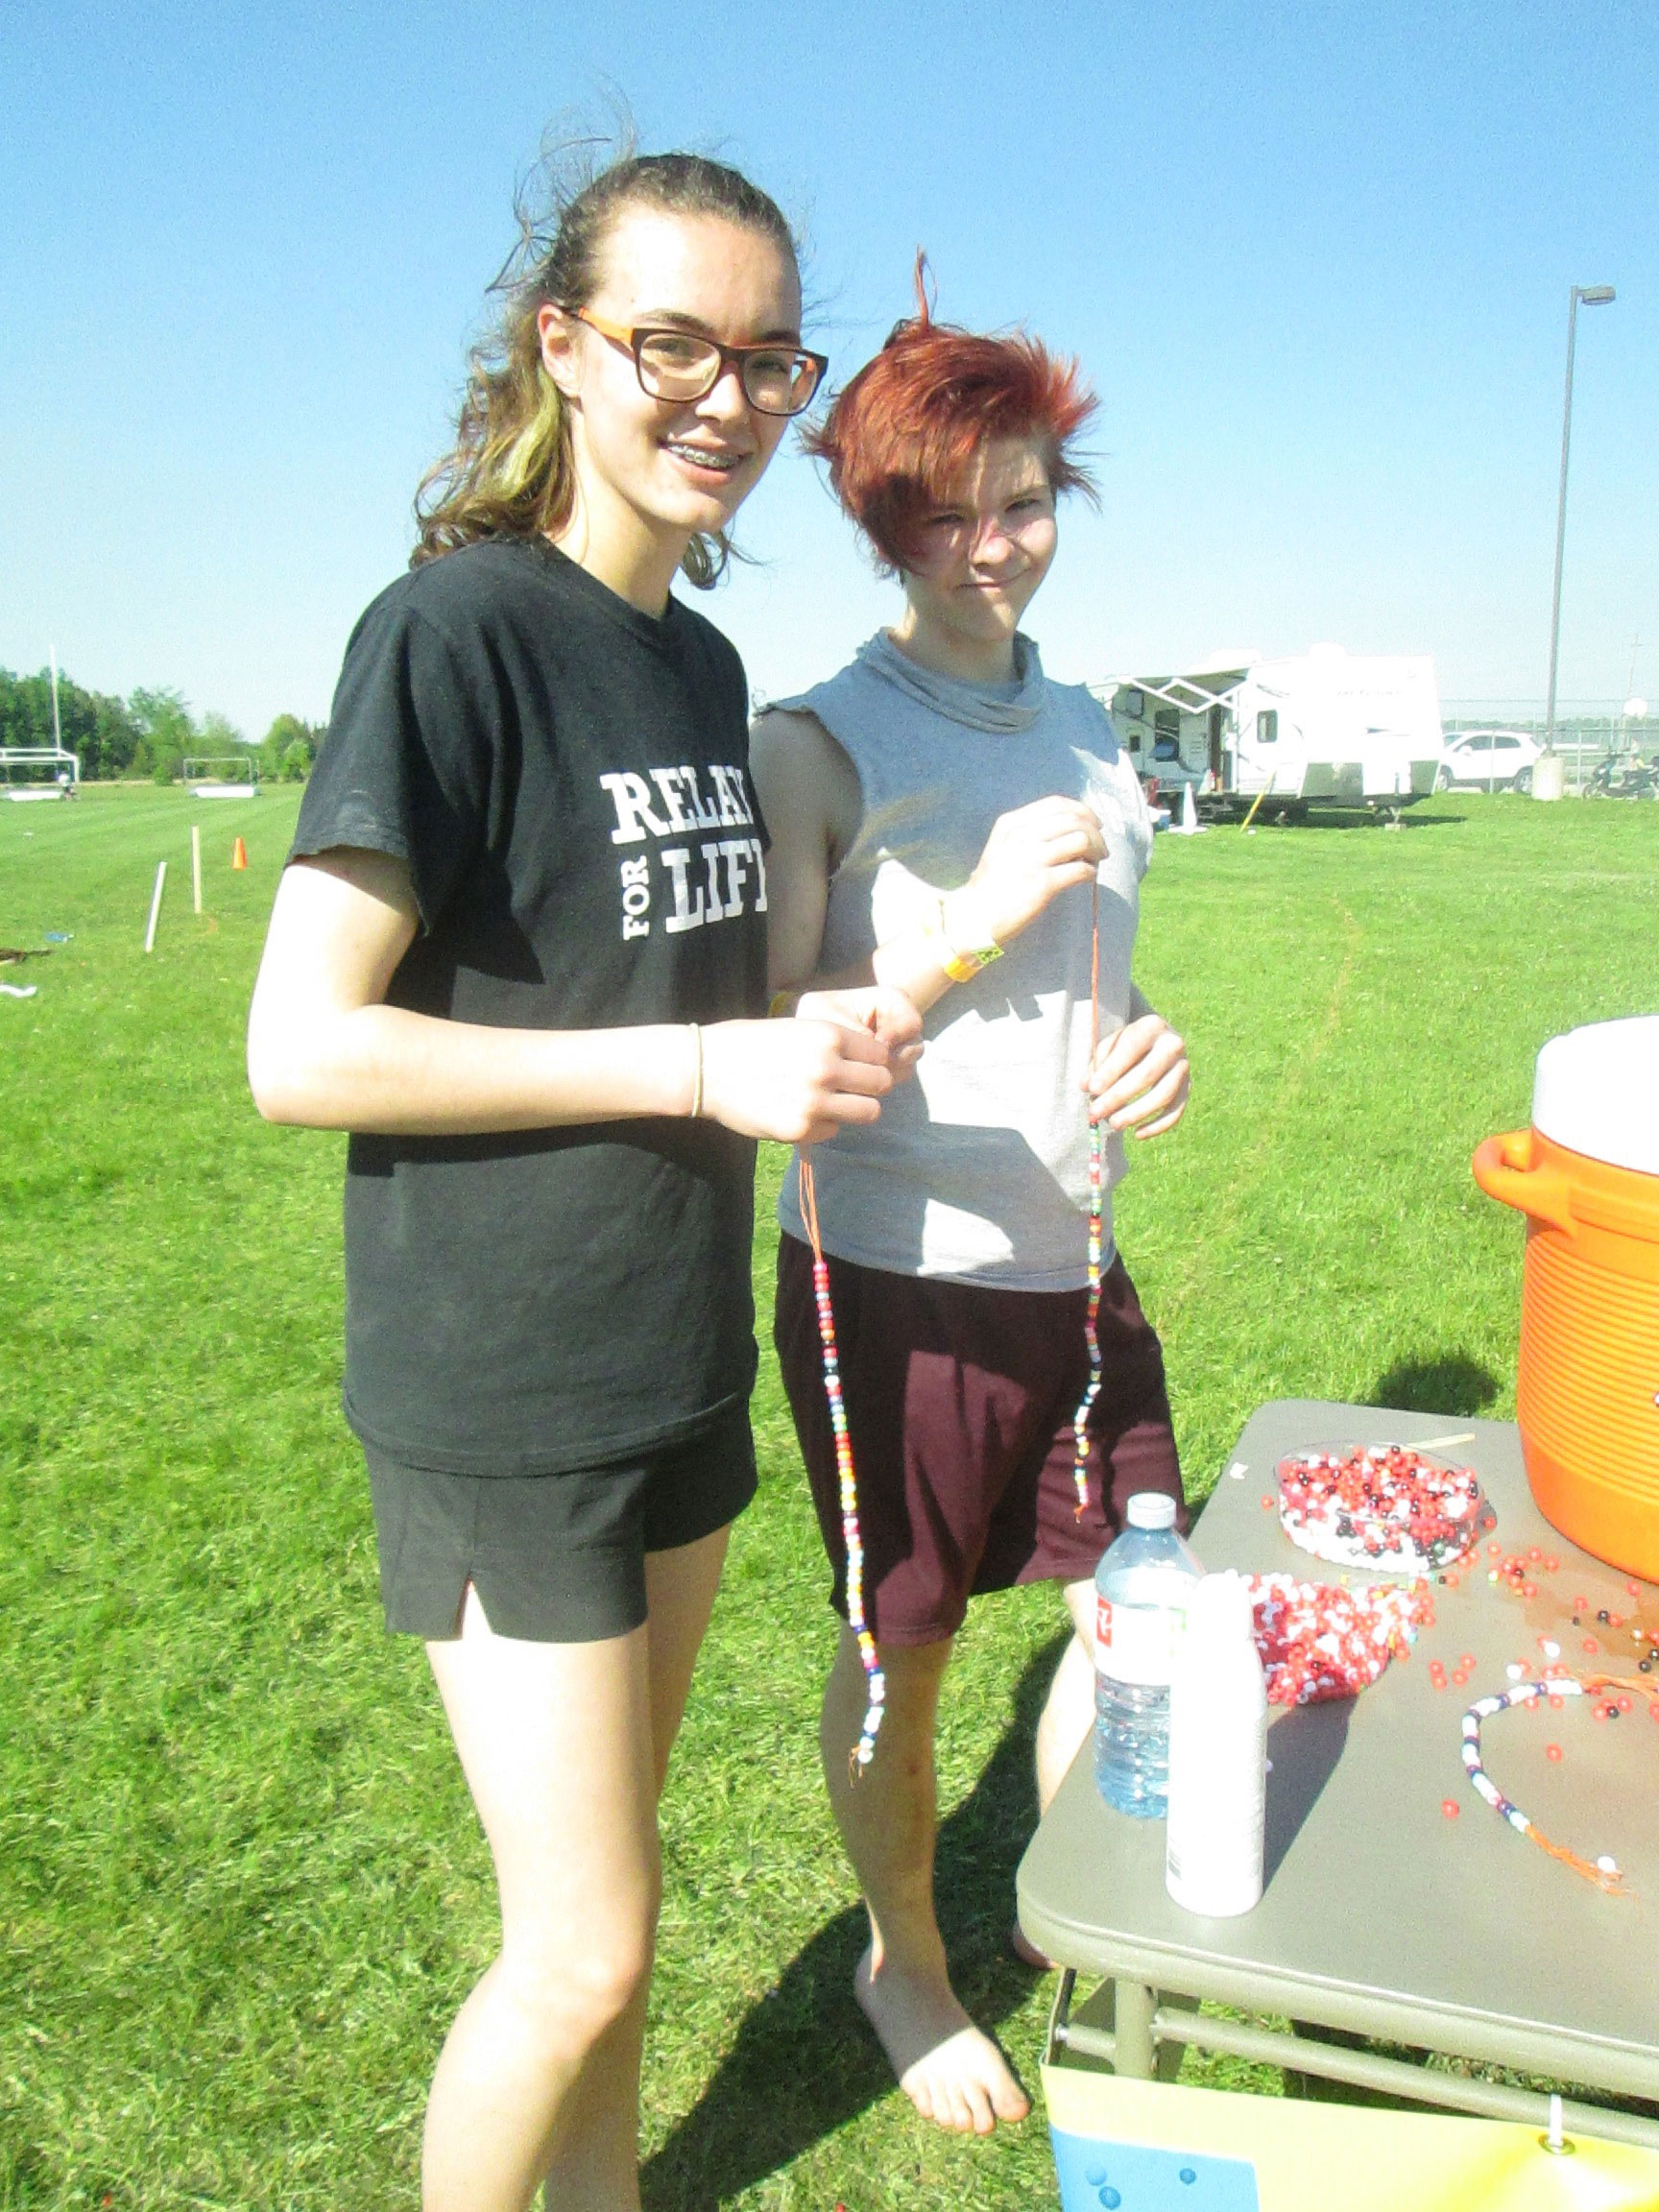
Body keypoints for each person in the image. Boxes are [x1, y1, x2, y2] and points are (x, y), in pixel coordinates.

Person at [247, 148, 917, 2212]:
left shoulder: (700, 670)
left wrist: (834, 1020)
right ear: (562, 345)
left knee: (617, 1910)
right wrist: (706, 1066)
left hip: (671, 1369)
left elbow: (677, 994)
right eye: (671, 346)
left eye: (769, 360)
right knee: (582, 1950)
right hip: (504, 1396)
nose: (727, 400)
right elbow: (299, 1048)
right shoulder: (452, 635)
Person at [752, 270, 1191, 2137]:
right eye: (942, 512)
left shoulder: (1090, 728)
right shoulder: (816, 741)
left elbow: (1097, 983)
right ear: (879, 519)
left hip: (1074, 1265)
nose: (989, 545)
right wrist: (968, 917)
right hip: (892, 1277)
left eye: (1021, 501)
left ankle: (1069, 1914)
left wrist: (1152, 1045)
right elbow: (765, 1038)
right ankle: (906, 1967)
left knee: (1142, 1610)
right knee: (906, 1653)